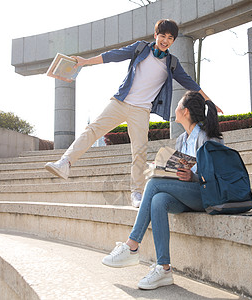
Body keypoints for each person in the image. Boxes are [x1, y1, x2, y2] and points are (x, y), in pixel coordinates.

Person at [45, 19, 222, 208]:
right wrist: (86, 62)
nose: (165, 40)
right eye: (162, 35)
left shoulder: (172, 63)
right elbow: (113, 55)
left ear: (173, 41)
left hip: (141, 111)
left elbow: (189, 82)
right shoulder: (141, 48)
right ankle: (65, 162)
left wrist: (208, 100)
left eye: (170, 38)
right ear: (156, 35)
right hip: (121, 102)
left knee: (139, 151)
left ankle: (136, 193)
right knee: (93, 129)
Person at [101, 91, 223, 290]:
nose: (175, 108)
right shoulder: (182, 139)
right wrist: (163, 168)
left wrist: (191, 176)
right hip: (187, 193)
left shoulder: (208, 138)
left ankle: (132, 245)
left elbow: (216, 175)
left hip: (205, 194)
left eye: (178, 105)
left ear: (184, 111)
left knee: (154, 184)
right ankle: (164, 268)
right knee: (158, 200)